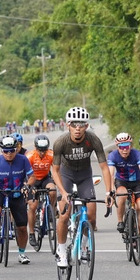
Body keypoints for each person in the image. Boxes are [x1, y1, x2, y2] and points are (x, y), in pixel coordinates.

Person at [50, 106, 114, 268]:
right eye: (74, 125)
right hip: (66, 175)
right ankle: (62, 251)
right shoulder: (61, 142)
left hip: (85, 175)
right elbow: (55, 171)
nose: (77, 129)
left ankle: (84, 246)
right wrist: (63, 193)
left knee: (91, 216)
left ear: (86, 126)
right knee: (64, 215)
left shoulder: (92, 140)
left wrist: (109, 192)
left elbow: (105, 167)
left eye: (81, 125)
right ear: (67, 125)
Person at [0, 135, 35, 264]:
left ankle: (22, 253)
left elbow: (32, 177)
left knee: (22, 228)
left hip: (17, 194)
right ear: (1, 151)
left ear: (16, 149)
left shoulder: (23, 160)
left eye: (12, 150)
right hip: (0, 192)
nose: (9, 154)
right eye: (5, 151)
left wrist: (27, 185)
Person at [107, 132, 140, 251]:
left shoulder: (137, 154)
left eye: (127, 146)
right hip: (121, 181)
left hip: (136, 182)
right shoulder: (113, 156)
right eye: (122, 147)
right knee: (122, 194)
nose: (125, 150)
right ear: (117, 147)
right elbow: (110, 174)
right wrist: (111, 190)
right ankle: (120, 221)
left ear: (130, 146)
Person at [26, 134, 57, 237]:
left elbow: (57, 170)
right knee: (33, 206)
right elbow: (25, 173)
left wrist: (57, 181)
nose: (43, 153)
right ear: (36, 148)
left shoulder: (51, 154)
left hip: (44, 178)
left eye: (44, 150)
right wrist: (29, 186)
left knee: (52, 191)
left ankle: (51, 211)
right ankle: (31, 233)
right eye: (40, 150)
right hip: (32, 180)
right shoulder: (30, 156)